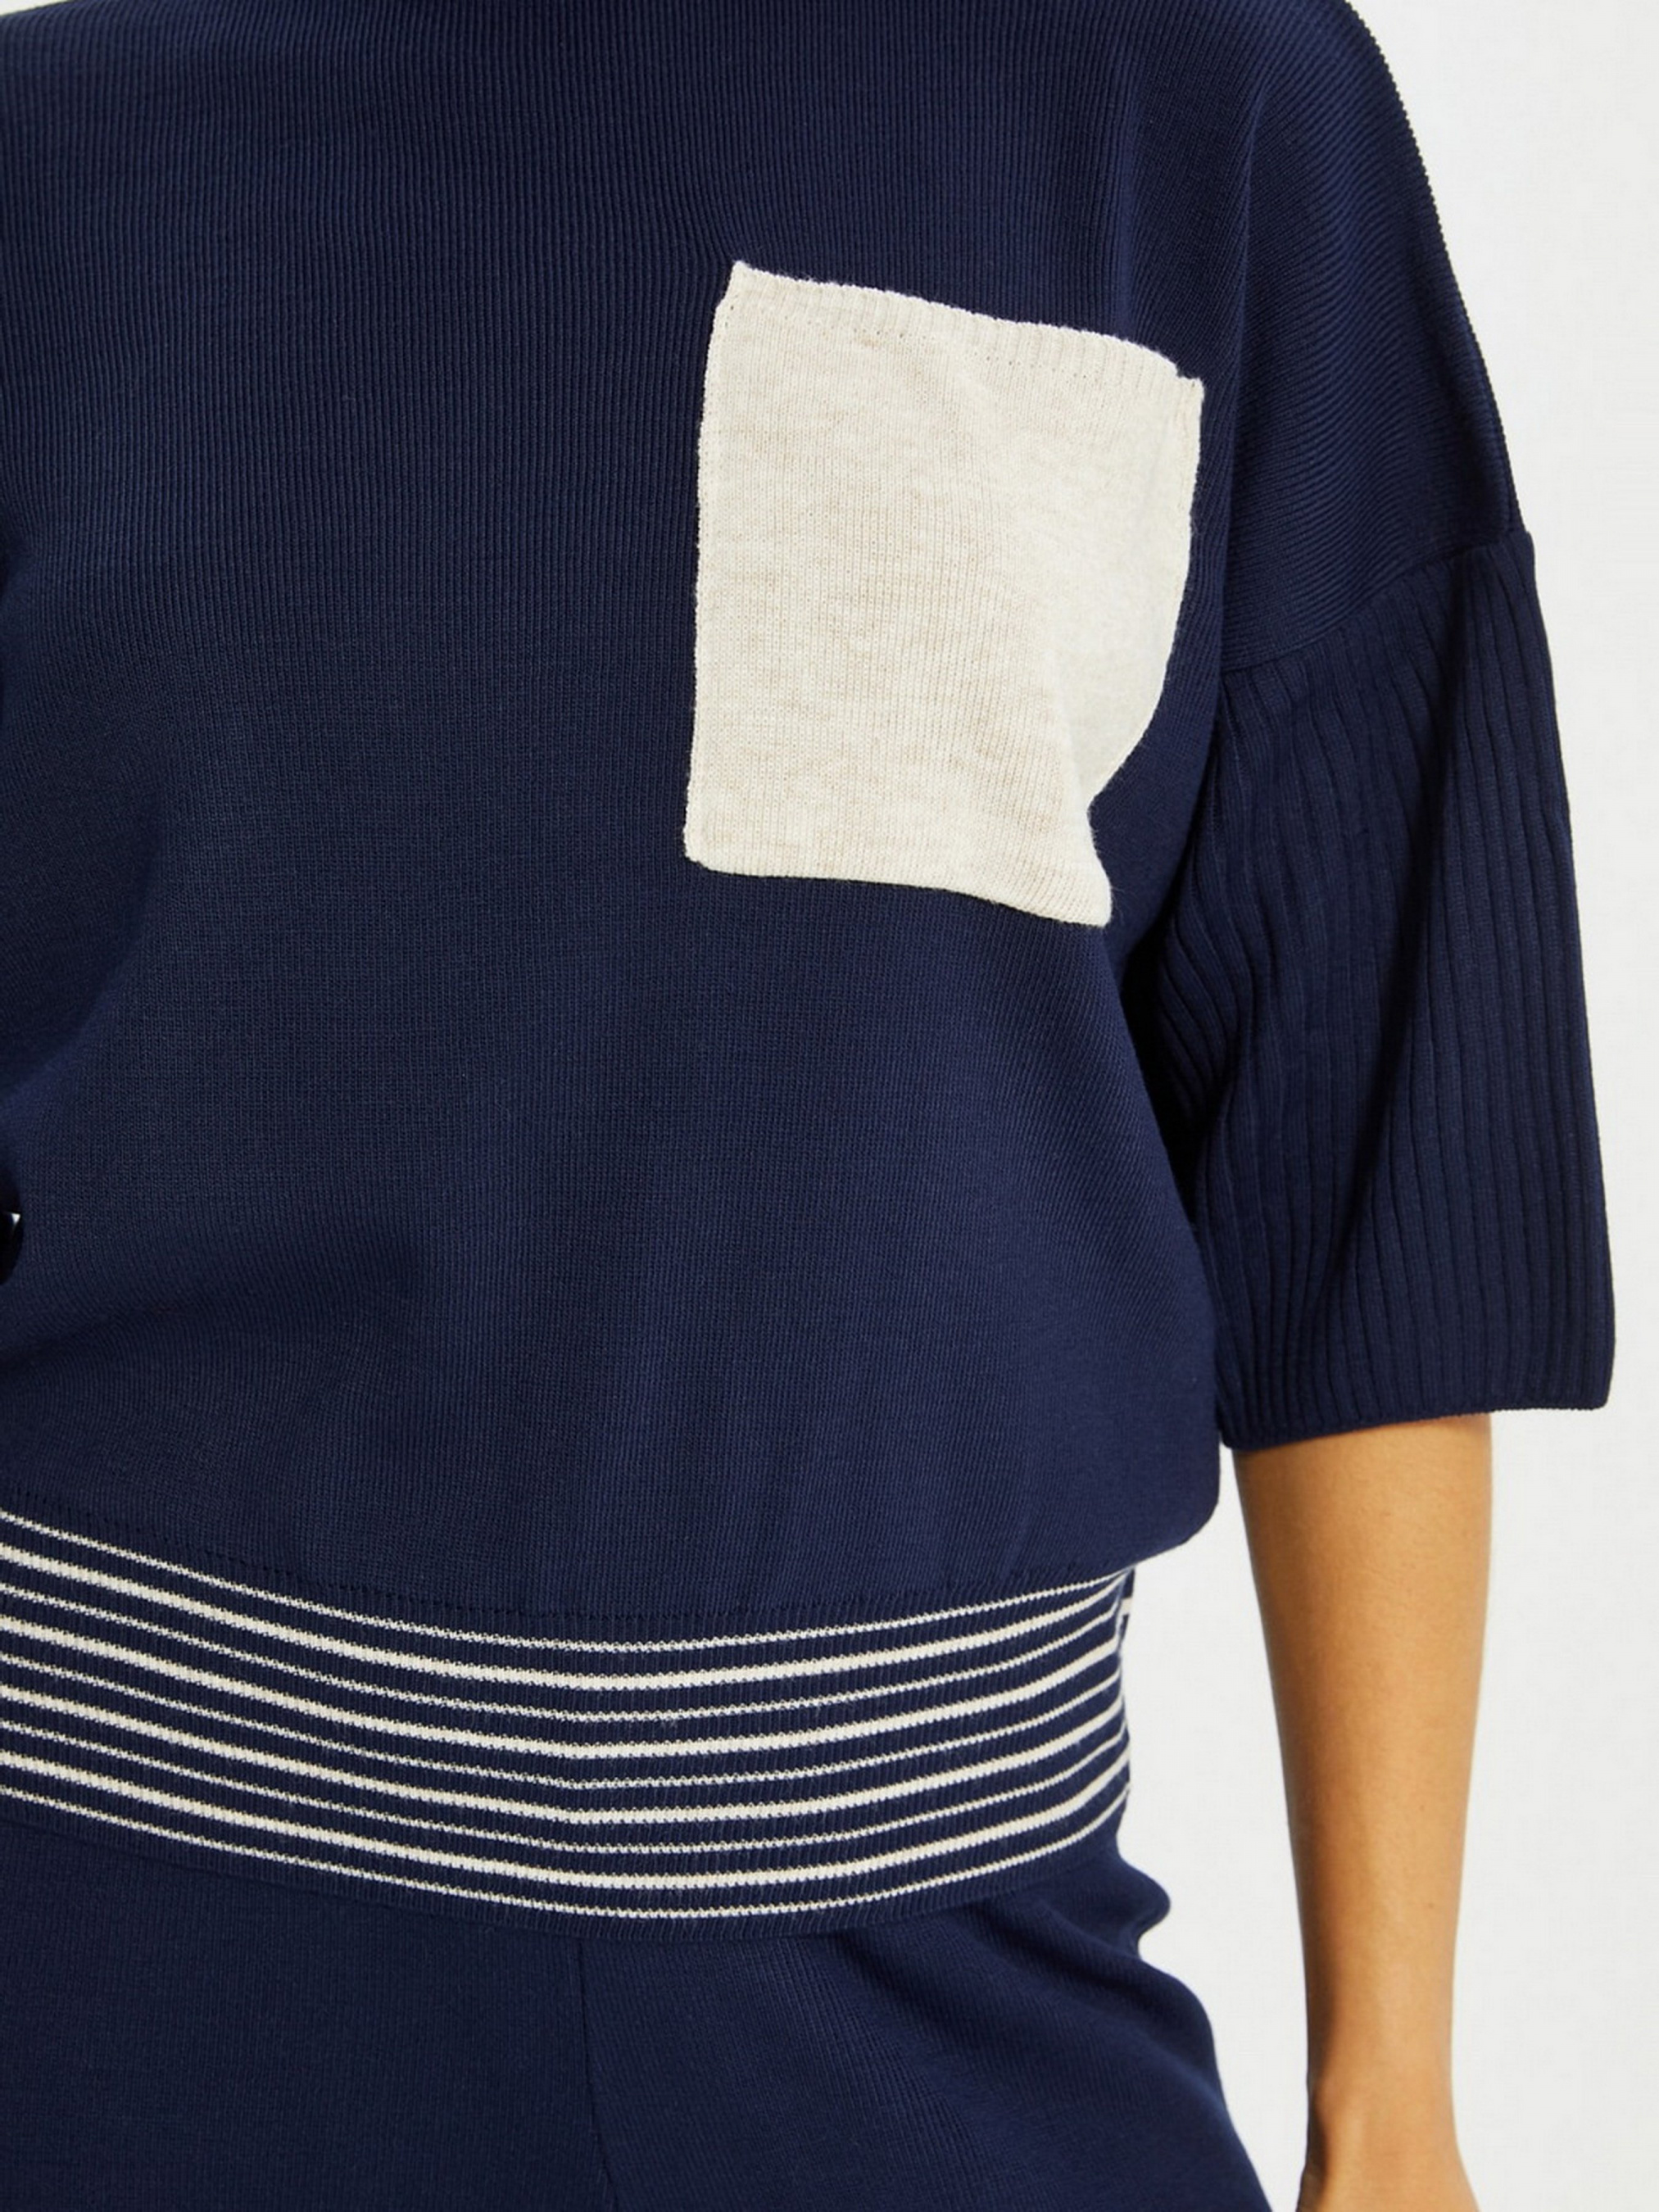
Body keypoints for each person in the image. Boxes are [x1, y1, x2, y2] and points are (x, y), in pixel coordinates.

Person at [0, 1, 1612, 2207]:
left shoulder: (1208, 109)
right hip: (92, 1942)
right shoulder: (68, 138)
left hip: (916, 2003)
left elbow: (1371, 1161)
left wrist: (1391, 2102)